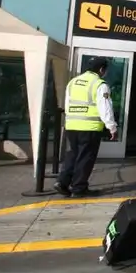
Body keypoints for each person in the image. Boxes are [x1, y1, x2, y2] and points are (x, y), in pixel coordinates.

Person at [55, 58, 118, 198]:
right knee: (86, 158)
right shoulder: (100, 84)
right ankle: (79, 188)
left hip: (71, 126)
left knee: (73, 154)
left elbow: (66, 105)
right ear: (102, 70)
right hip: (90, 128)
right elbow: (105, 108)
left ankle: (62, 182)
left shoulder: (73, 82)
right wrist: (112, 127)